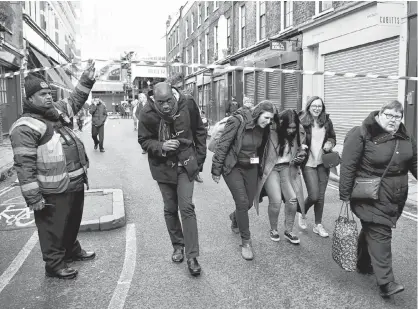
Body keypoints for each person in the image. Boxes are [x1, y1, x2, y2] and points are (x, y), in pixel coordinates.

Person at [9, 62, 97, 280]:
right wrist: (33, 197)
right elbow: (24, 166)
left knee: (72, 221)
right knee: (52, 228)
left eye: (49, 93)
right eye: (41, 94)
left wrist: (86, 79)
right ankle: (54, 264)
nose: (48, 97)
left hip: (73, 183)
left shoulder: (55, 111)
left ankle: (71, 250)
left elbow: (76, 99)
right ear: (30, 99)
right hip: (51, 189)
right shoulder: (25, 126)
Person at [339, 100, 416, 297]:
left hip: (395, 196)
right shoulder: (361, 133)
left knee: (372, 229)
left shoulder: (405, 136)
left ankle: (363, 263)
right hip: (369, 195)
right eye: (389, 115)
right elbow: (348, 165)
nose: (393, 120)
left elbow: (415, 162)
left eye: (397, 117)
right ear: (379, 114)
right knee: (380, 232)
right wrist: (345, 194)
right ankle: (386, 283)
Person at [138, 82, 207, 276]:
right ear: (154, 99)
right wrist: (161, 146)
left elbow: (200, 131)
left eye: (169, 100)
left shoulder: (188, 103)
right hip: (163, 168)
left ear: (174, 95)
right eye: (161, 102)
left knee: (186, 207)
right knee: (170, 208)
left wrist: (199, 160)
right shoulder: (147, 113)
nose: (166, 106)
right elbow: (143, 140)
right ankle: (178, 246)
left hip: (186, 164)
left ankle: (192, 256)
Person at [211, 101, 275, 260]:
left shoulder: (265, 128)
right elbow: (223, 145)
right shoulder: (237, 121)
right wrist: (216, 169)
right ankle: (246, 242)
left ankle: (235, 218)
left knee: (247, 203)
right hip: (233, 166)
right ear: (258, 113)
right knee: (241, 201)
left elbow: (261, 149)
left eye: (270, 119)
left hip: (251, 167)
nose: (268, 122)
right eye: (266, 118)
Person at [255, 109, 307, 244]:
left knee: (292, 199)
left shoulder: (298, 133)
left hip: (287, 168)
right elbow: (257, 148)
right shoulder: (270, 131)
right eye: (288, 128)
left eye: (293, 128)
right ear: (282, 124)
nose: (291, 131)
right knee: (276, 200)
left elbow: (301, 148)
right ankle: (273, 229)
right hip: (271, 168)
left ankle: (289, 231)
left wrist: (301, 155)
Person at [296, 96, 336, 237]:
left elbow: (332, 137)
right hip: (308, 163)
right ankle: (301, 211)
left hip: (322, 163)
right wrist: (300, 146)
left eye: (319, 106)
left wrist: (330, 143)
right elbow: (293, 139)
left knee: (320, 196)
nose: (317, 108)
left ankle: (318, 225)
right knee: (313, 195)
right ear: (309, 106)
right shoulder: (302, 122)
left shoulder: (326, 121)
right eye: (314, 105)